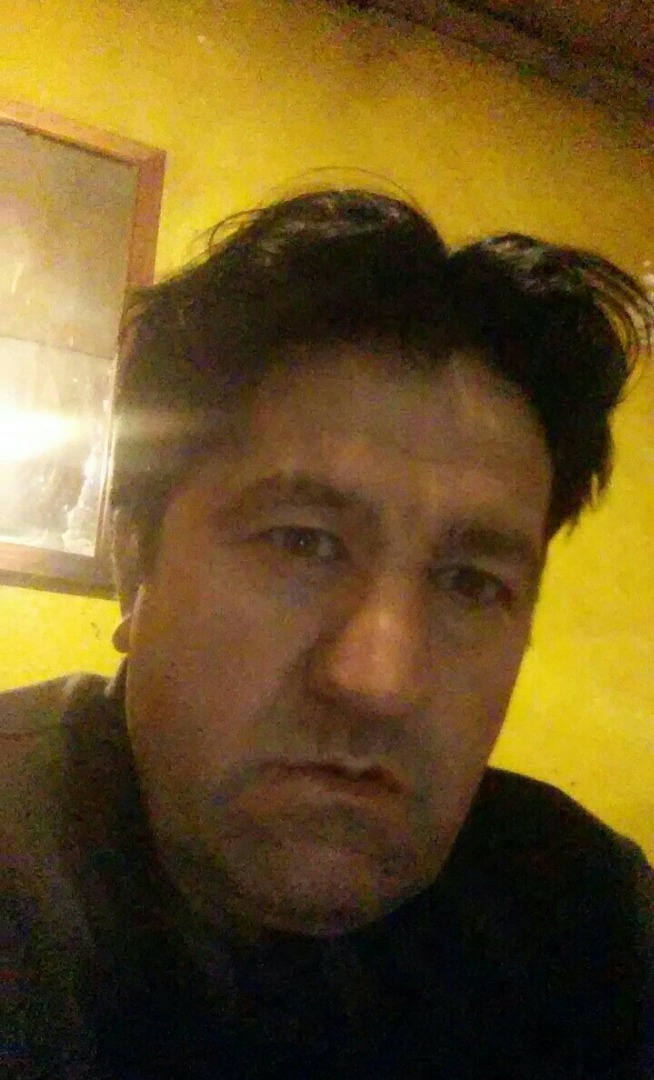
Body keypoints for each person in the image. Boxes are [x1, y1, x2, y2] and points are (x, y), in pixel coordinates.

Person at [3, 188, 652, 1079]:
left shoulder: (582, 911)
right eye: (301, 542)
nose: (379, 679)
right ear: (133, 561)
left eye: (471, 582)